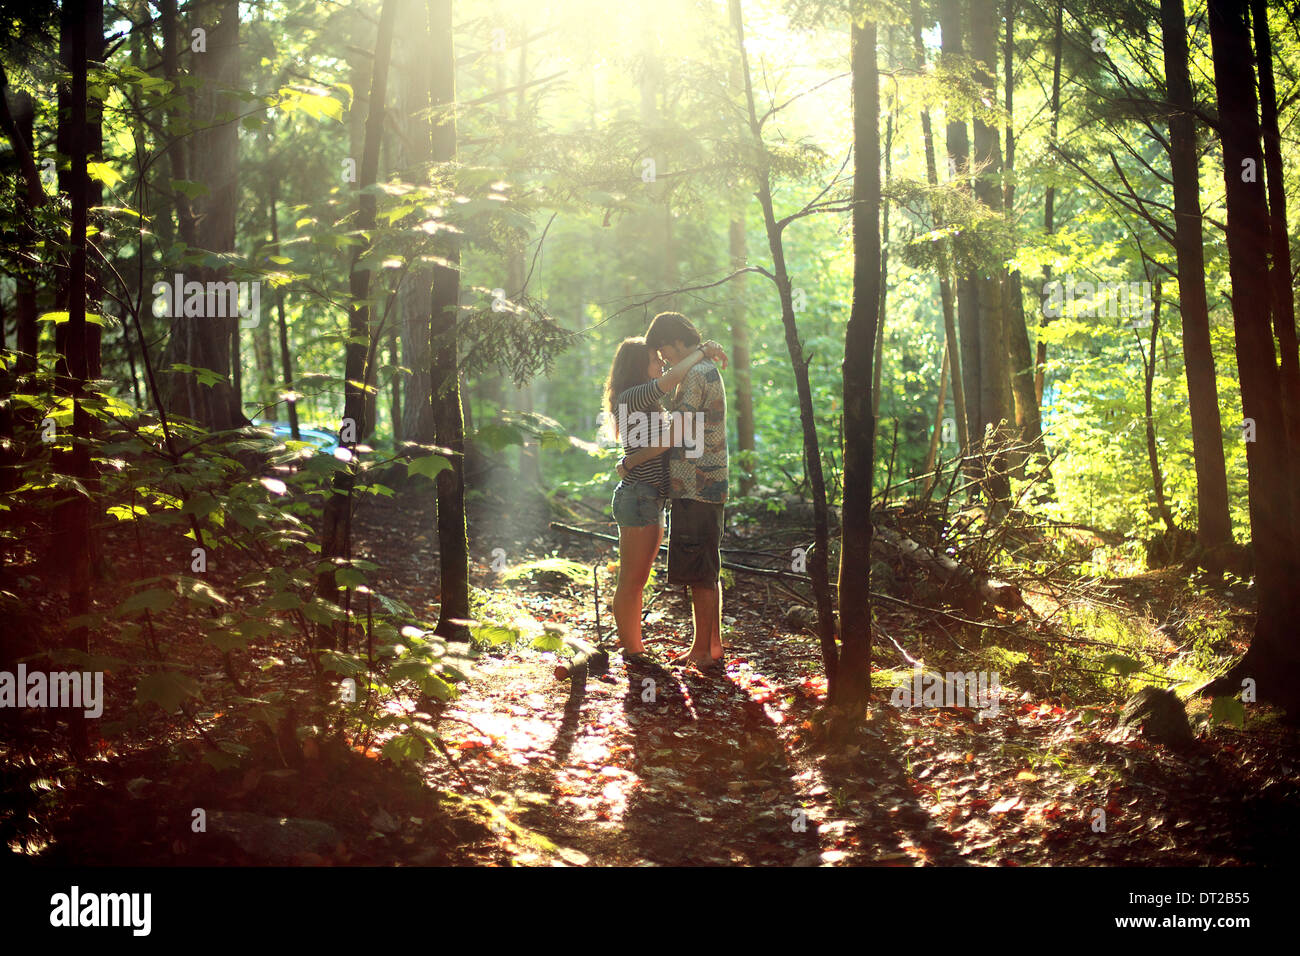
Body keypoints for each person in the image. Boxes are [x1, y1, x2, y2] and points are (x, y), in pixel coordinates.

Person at [603, 335, 726, 663]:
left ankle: (635, 650)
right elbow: (673, 382)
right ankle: (632, 652)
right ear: (637, 365)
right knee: (631, 579)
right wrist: (701, 350)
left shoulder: (647, 400)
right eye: (655, 360)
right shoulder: (634, 395)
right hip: (638, 496)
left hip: (650, 499)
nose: (661, 364)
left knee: (637, 579)